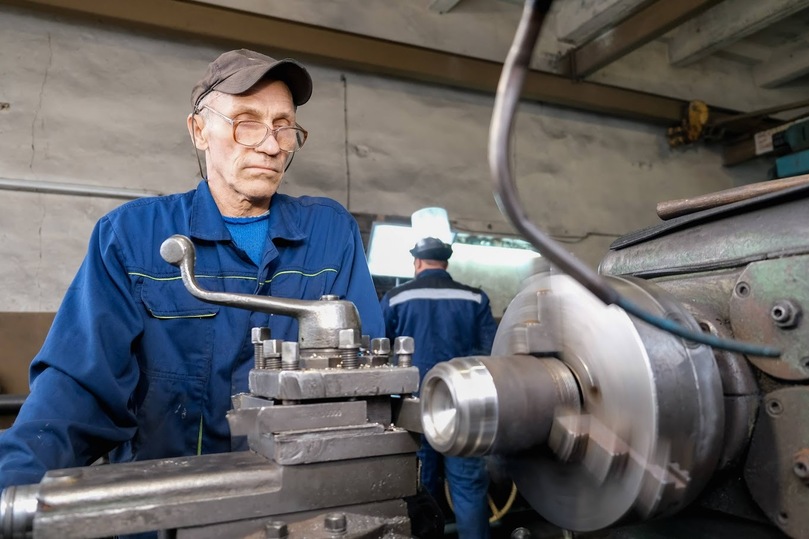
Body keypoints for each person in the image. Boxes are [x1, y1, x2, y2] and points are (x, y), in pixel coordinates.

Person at [0, 49, 384, 490]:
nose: (271, 144)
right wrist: (14, 485)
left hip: (295, 502)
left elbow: (364, 380)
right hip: (168, 510)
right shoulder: (133, 236)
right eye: (247, 121)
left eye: (284, 126)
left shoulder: (329, 234)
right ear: (199, 130)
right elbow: (77, 390)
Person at [380, 236, 498, 539]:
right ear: (445, 263)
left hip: (414, 413)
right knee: (469, 488)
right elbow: (491, 356)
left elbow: (379, 352)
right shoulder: (476, 299)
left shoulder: (395, 299)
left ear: (417, 263)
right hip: (466, 409)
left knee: (420, 490)